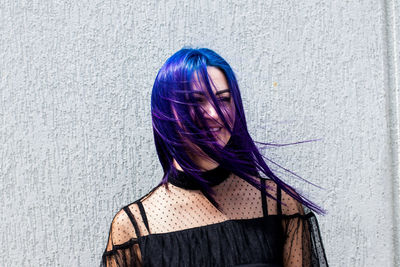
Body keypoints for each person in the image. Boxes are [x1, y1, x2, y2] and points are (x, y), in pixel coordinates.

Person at [101, 48, 328, 267]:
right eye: (197, 101)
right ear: (167, 112)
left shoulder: (280, 206)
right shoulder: (134, 227)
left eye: (223, 99)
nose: (213, 113)